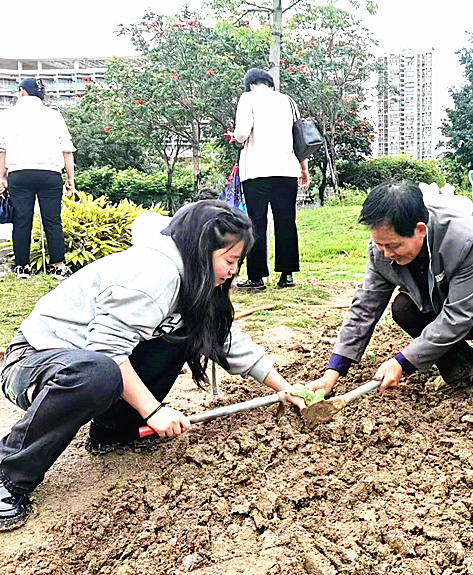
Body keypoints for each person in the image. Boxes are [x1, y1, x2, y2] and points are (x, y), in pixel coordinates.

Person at [0, 200, 305, 531]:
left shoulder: (195, 281)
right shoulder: (155, 273)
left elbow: (225, 339)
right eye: (230, 260)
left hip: (88, 366)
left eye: (238, 262)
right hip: (35, 361)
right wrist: (154, 411)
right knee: (97, 373)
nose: (234, 271)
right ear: (202, 250)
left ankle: (113, 432)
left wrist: (284, 389)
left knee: (187, 331)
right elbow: (107, 350)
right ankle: (8, 475)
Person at [308, 183, 473, 411]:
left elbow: (460, 314)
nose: (386, 253)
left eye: (393, 246)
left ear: (420, 230)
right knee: (404, 307)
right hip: (450, 306)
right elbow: (365, 307)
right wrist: (334, 370)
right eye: (380, 245)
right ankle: (464, 368)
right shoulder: (383, 250)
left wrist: (403, 363)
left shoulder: (464, 238)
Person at [228, 69, 310, 290]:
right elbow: (299, 137)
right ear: (271, 85)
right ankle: (287, 275)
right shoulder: (288, 102)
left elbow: (243, 132)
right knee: (286, 221)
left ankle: (256, 278)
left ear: (250, 85)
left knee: (256, 223)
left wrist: (235, 137)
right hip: (286, 170)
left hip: (256, 171)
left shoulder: (248, 98)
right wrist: (304, 168)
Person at [0, 78, 75, 281]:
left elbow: (2, 149)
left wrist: (2, 177)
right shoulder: (54, 116)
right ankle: (59, 266)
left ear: (22, 92)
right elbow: (66, 149)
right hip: (49, 173)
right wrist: (70, 178)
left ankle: (22, 267)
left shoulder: (7, 116)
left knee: (22, 220)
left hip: (19, 173)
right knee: (53, 221)